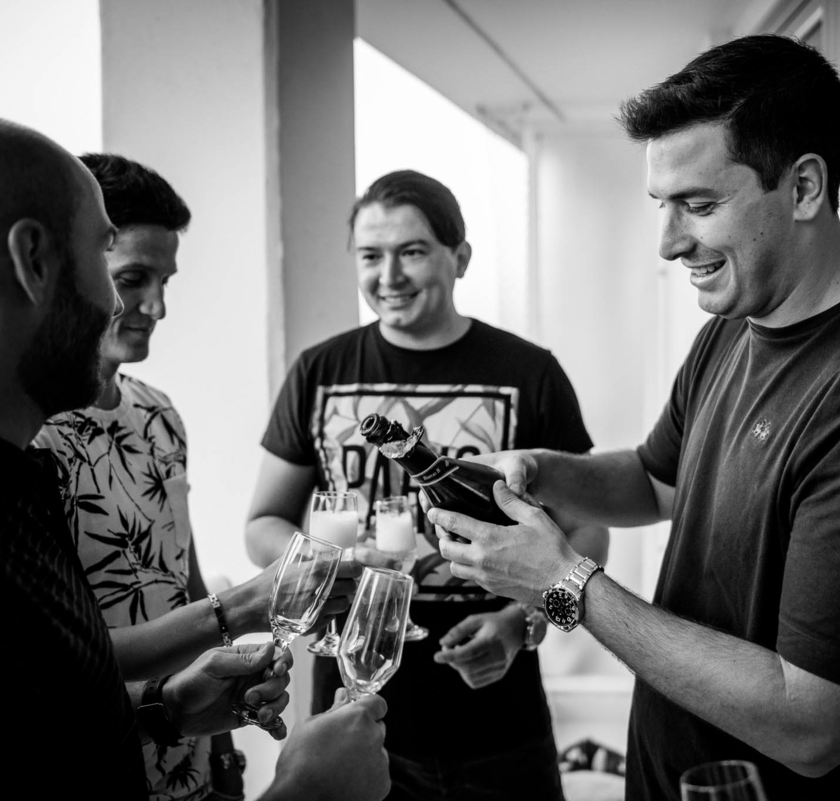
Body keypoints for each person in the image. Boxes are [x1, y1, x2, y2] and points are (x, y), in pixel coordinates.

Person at [427, 35, 840, 801]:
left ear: (804, 187)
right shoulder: (732, 331)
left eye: (700, 206)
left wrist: (565, 581)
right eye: (663, 206)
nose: (670, 243)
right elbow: (656, 480)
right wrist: (546, 471)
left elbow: (812, 722)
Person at [0, 113, 388, 801]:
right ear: (35, 262)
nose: (131, 306)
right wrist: (309, 794)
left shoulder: (4, 480)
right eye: (106, 258)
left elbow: (41, 728)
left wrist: (164, 710)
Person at [245, 169, 609, 800]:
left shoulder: (530, 373)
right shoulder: (319, 371)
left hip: (500, 720)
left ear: (459, 258)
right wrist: (332, 562)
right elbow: (262, 527)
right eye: (370, 256)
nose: (389, 276)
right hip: (350, 720)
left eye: (411, 252)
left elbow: (588, 528)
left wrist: (518, 619)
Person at [33, 153, 356, 799]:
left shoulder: (159, 414)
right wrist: (245, 604)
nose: (156, 305)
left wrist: (226, 739)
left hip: (192, 761)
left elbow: (185, 584)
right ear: (73, 267)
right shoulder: (30, 431)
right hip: (94, 755)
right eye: (133, 277)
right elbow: (53, 659)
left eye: (165, 280)